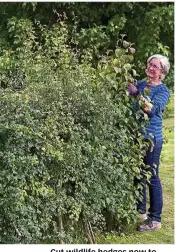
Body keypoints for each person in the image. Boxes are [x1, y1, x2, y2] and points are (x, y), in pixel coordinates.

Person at [127, 54, 170, 232]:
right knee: (138, 175)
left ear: (161, 73)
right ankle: (140, 213)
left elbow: (151, 110)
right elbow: (125, 98)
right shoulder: (141, 84)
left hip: (152, 138)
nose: (150, 68)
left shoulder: (163, 91)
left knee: (151, 177)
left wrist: (137, 95)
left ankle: (155, 219)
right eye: (149, 65)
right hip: (136, 137)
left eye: (155, 66)